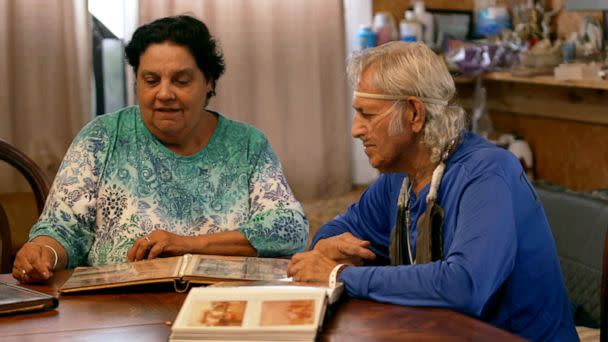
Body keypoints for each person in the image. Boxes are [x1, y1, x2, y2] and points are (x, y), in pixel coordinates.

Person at [287, 41, 577, 341]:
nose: (355, 129)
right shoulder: (398, 176)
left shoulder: (487, 174)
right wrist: (325, 248)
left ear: (414, 113)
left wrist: (341, 276)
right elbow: (338, 231)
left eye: (368, 115)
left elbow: (463, 286)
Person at [14, 15, 308, 283]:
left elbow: (288, 227)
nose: (164, 94)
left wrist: (188, 245)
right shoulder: (102, 137)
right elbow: (63, 228)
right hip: (113, 315)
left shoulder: (247, 145)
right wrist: (43, 252)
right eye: (151, 80)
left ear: (208, 82)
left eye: (181, 81)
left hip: (220, 307)